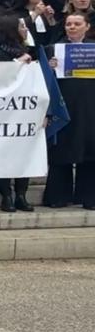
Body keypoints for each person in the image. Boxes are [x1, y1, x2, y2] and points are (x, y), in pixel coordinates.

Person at [0, 16, 36, 213]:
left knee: (24, 154)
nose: (24, 29)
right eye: (21, 26)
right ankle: (6, 194)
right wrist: (16, 63)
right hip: (1, 111)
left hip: (23, 110)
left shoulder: (28, 50)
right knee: (3, 154)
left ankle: (22, 194)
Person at [46, 11, 95, 209]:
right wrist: (50, 67)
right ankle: (58, 196)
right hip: (64, 106)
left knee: (90, 150)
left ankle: (89, 197)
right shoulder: (54, 50)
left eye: (76, 24)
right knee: (62, 150)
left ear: (87, 27)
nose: (72, 27)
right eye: (68, 24)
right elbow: (45, 80)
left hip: (90, 106)